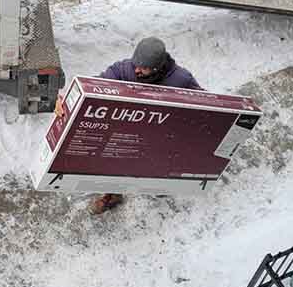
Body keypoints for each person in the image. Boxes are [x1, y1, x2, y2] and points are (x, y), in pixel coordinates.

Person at [56, 37, 202, 214]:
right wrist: (65, 100)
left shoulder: (181, 79)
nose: (138, 69)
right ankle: (113, 194)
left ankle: (160, 188)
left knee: (156, 166)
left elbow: (204, 105)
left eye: (144, 68)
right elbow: (94, 86)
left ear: (158, 68)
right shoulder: (124, 70)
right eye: (136, 64)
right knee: (115, 157)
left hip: (159, 135)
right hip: (129, 131)